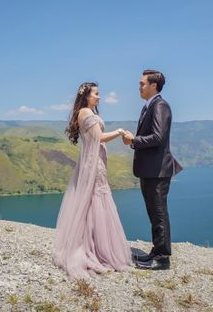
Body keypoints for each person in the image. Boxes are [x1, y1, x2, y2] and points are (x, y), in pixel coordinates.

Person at [52, 82, 133, 278]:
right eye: (96, 94)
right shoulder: (86, 113)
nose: (99, 97)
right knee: (96, 199)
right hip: (94, 162)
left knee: (92, 201)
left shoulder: (85, 112)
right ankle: (96, 250)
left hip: (94, 160)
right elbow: (99, 137)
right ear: (86, 95)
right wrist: (120, 132)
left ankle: (95, 246)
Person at [122, 69, 182, 270]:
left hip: (157, 170)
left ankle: (163, 258)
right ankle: (156, 252)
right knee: (153, 213)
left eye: (142, 84)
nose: (139, 87)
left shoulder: (160, 105)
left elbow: (158, 137)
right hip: (149, 170)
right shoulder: (148, 107)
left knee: (158, 212)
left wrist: (133, 140)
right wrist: (135, 141)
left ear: (153, 86)